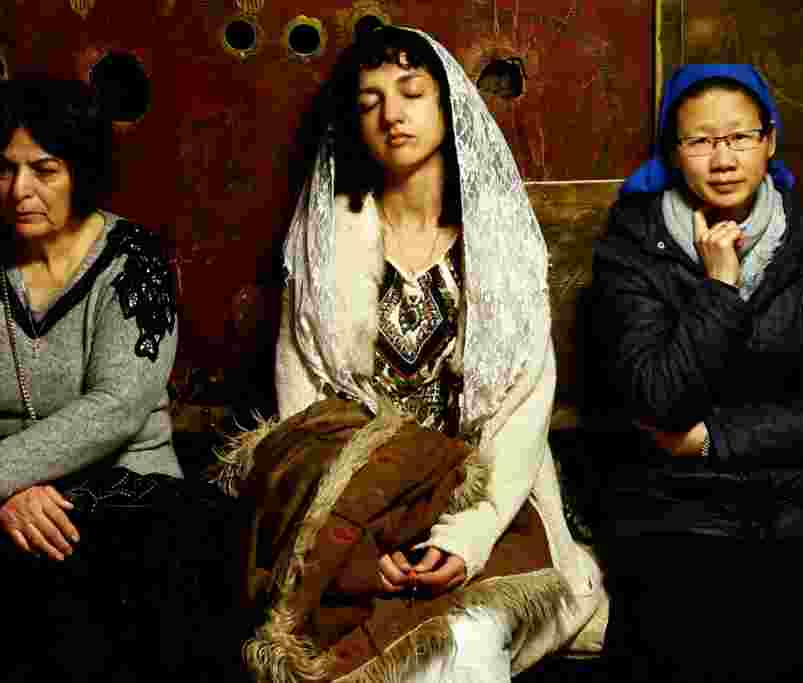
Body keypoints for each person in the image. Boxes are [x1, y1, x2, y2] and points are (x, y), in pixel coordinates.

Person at [254, 25, 607, 682]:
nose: (392, 114)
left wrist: (464, 537)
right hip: (355, 505)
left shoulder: (498, 246)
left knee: (467, 641)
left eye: (412, 92)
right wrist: (363, 539)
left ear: (448, 106)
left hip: (481, 497)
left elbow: (523, 409)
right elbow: (305, 415)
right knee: (362, 644)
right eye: (369, 102)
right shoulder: (324, 247)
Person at [0, 77, 204, 680]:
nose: (20, 191)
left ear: (80, 169)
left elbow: (117, 404)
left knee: (94, 584)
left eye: (44, 169)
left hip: (119, 482)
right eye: (5, 171)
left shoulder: (134, 260)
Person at [587, 65, 803, 681]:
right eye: (701, 141)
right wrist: (720, 286)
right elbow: (660, 400)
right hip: (676, 509)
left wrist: (712, 438)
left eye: (739, 138)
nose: (723, 159)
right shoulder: (634, 249)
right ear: (673, 152)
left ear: (769, 141)